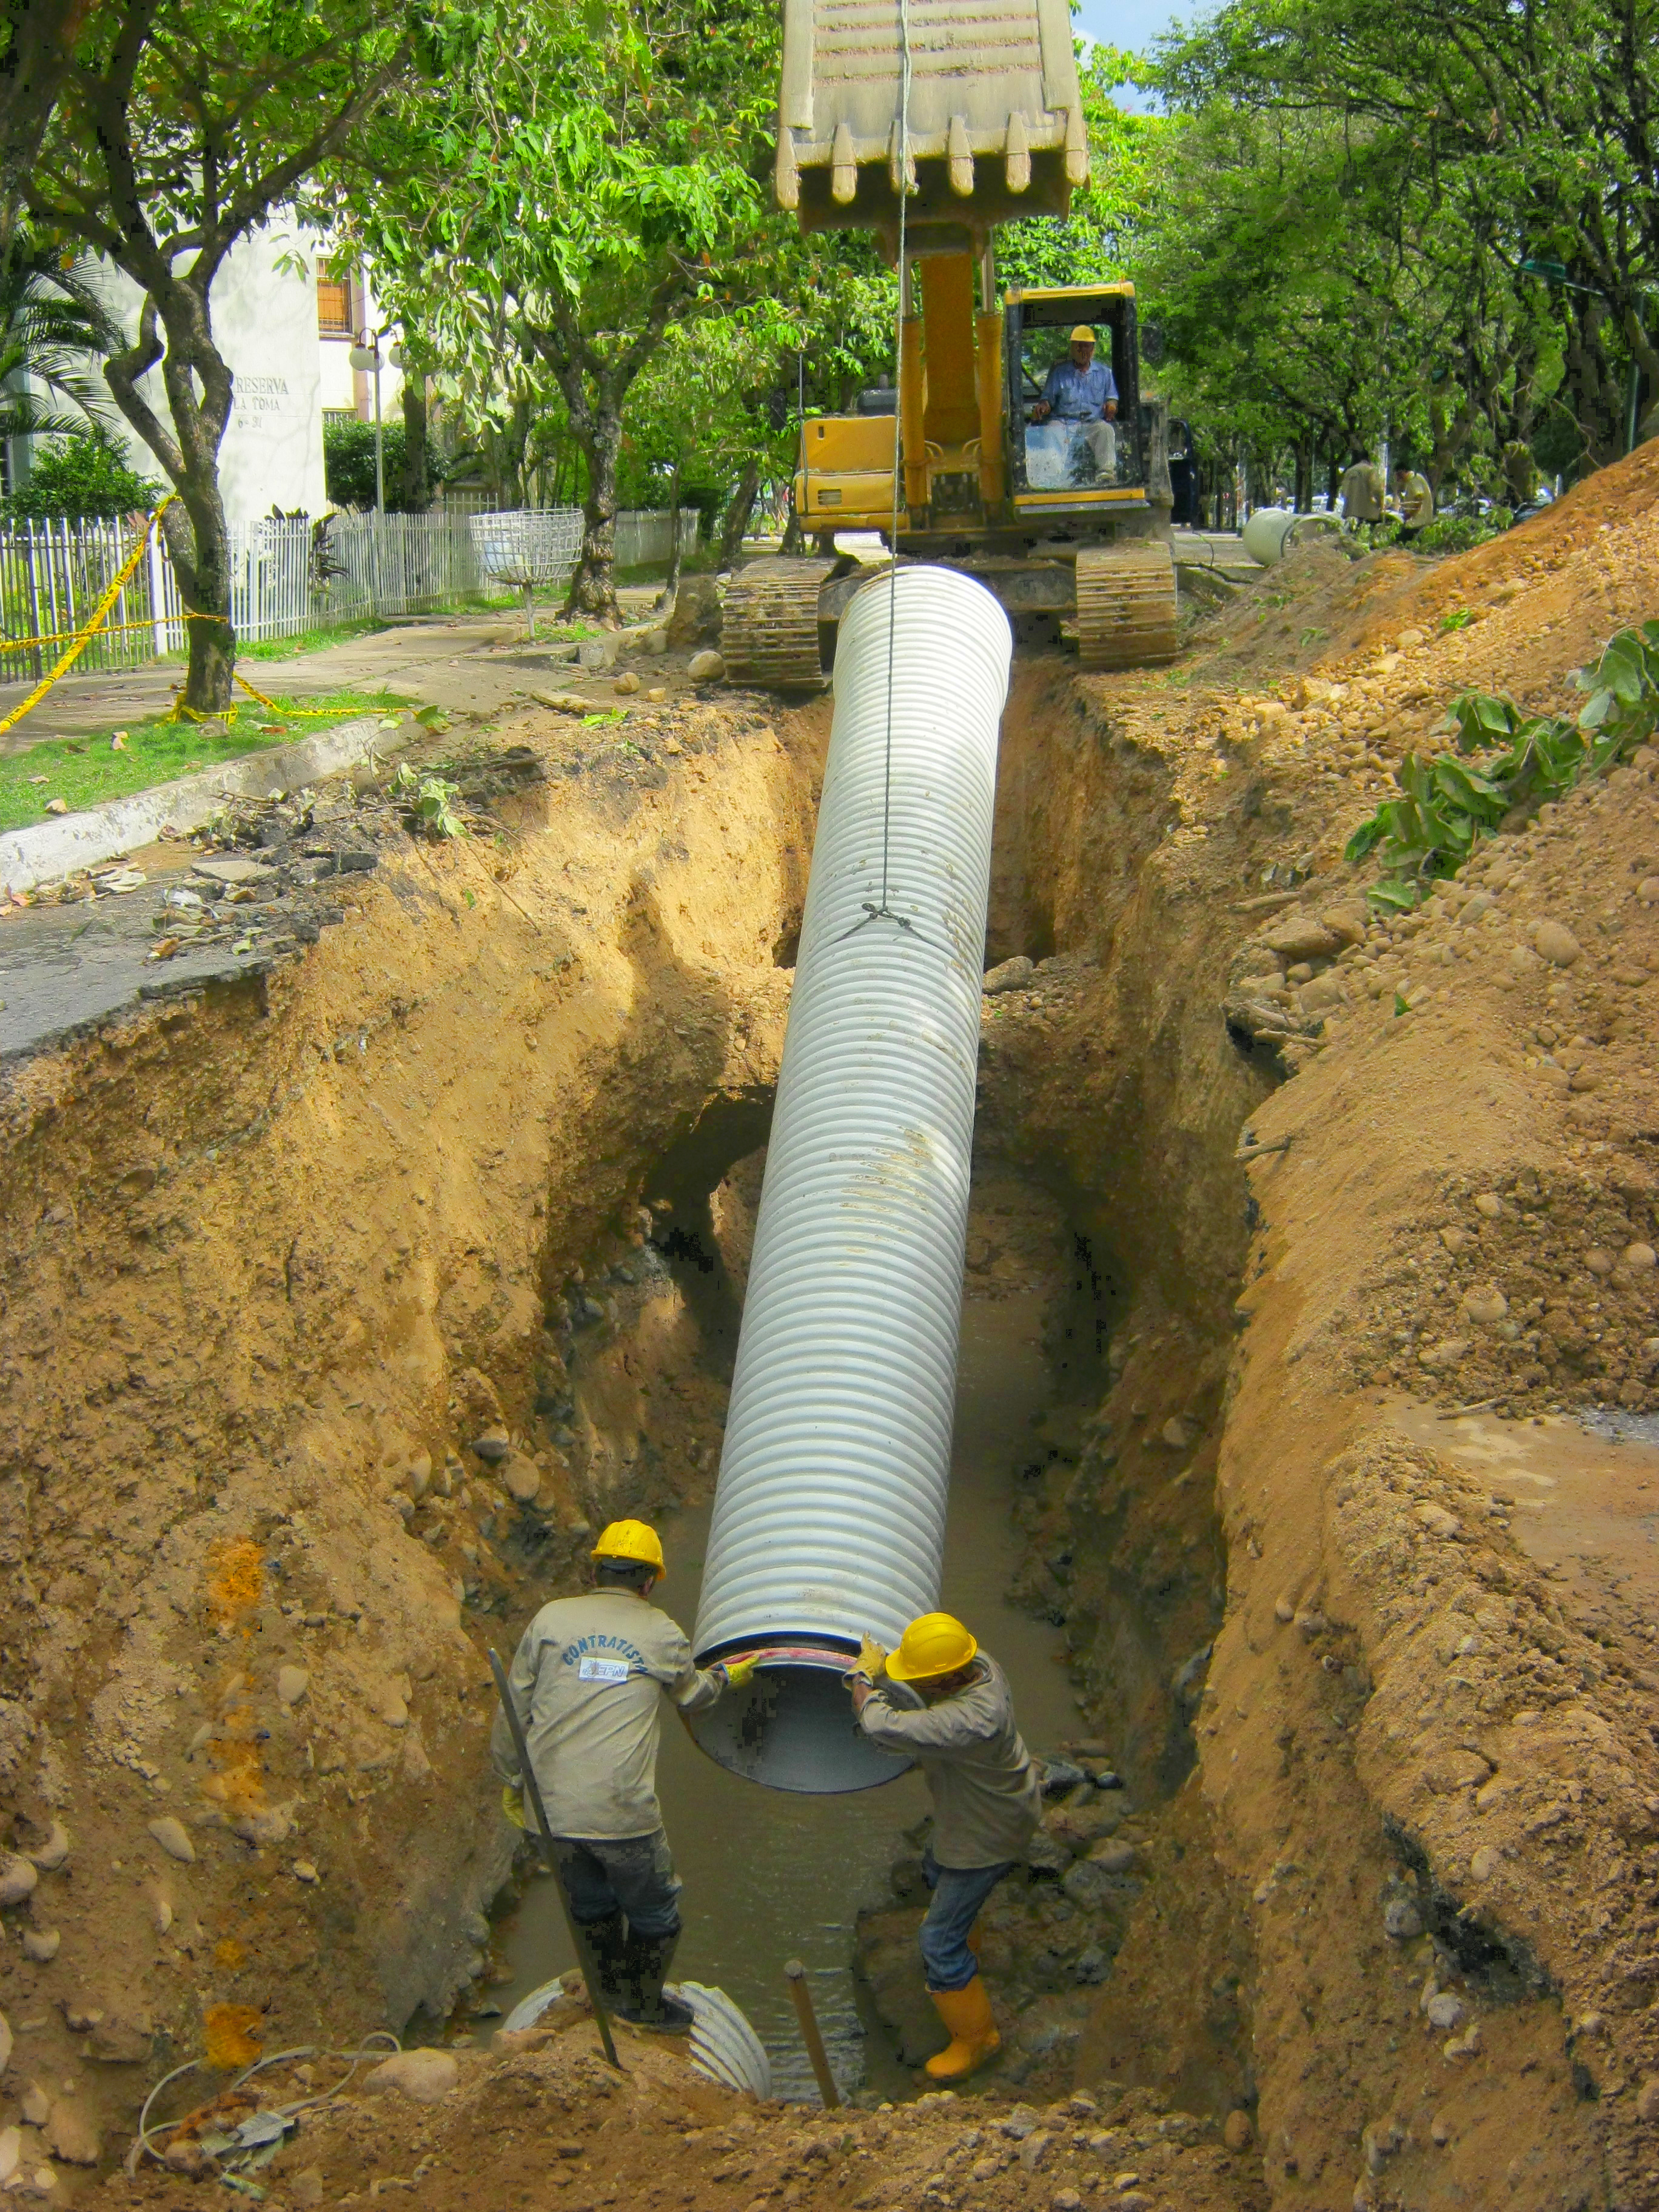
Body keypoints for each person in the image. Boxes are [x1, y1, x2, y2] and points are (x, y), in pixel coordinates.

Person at [492, 1518, 756, 2033]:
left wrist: (511, 1779)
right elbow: (693, 1696)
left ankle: (607, 1992)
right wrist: (727, 1675)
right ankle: (643, 2004)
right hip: (622, 1814)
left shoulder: (550, 1620)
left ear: (594, 1571)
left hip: (549, 1811)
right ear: (651, 1581)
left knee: (588, 1903)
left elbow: (511, 1710)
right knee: (656, 1912)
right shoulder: (659, 1632)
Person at [845, 1612, 1041, 2081]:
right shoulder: (979, 1662)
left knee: (936, 1938)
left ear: (947, 1678)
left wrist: (860, 1680)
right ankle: (963, 1936)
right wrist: (890, 1668)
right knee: (935, 1869)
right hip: (985, 1803)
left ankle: (978, 2041)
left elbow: (879, 1724)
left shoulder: (974, 1719)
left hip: (987, 1831)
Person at [1030, 324, 1118, 480]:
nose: (1083, 350)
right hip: (1063, 422)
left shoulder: (1105, 373)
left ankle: (1106, 473)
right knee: (1051, 431)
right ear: (1072, 349)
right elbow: (1047, 400)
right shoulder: (1060, 373)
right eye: (1079, 346)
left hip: (1092, 423)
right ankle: (1053, 476)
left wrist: (1111, 406)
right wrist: (1043, 407)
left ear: (1093, 349)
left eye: (1087, 346)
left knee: (1106, 430)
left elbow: (1112, 398)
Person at [1338, 457, 1386, 524]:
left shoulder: (1349, 471)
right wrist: (1381, 505)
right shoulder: (1371, 470)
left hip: (1349, 513)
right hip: (1368, 514)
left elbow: (1343, 493)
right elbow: (1378, 490)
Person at [1393, 461, 1435, 536]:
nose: (1398, 480)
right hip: (1417, 522)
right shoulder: (1411, 481)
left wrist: (1410, 515)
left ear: (1402, 473)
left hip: (1419, 523)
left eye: (1398, 476)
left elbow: (1419, 500)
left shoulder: (1415, 480)